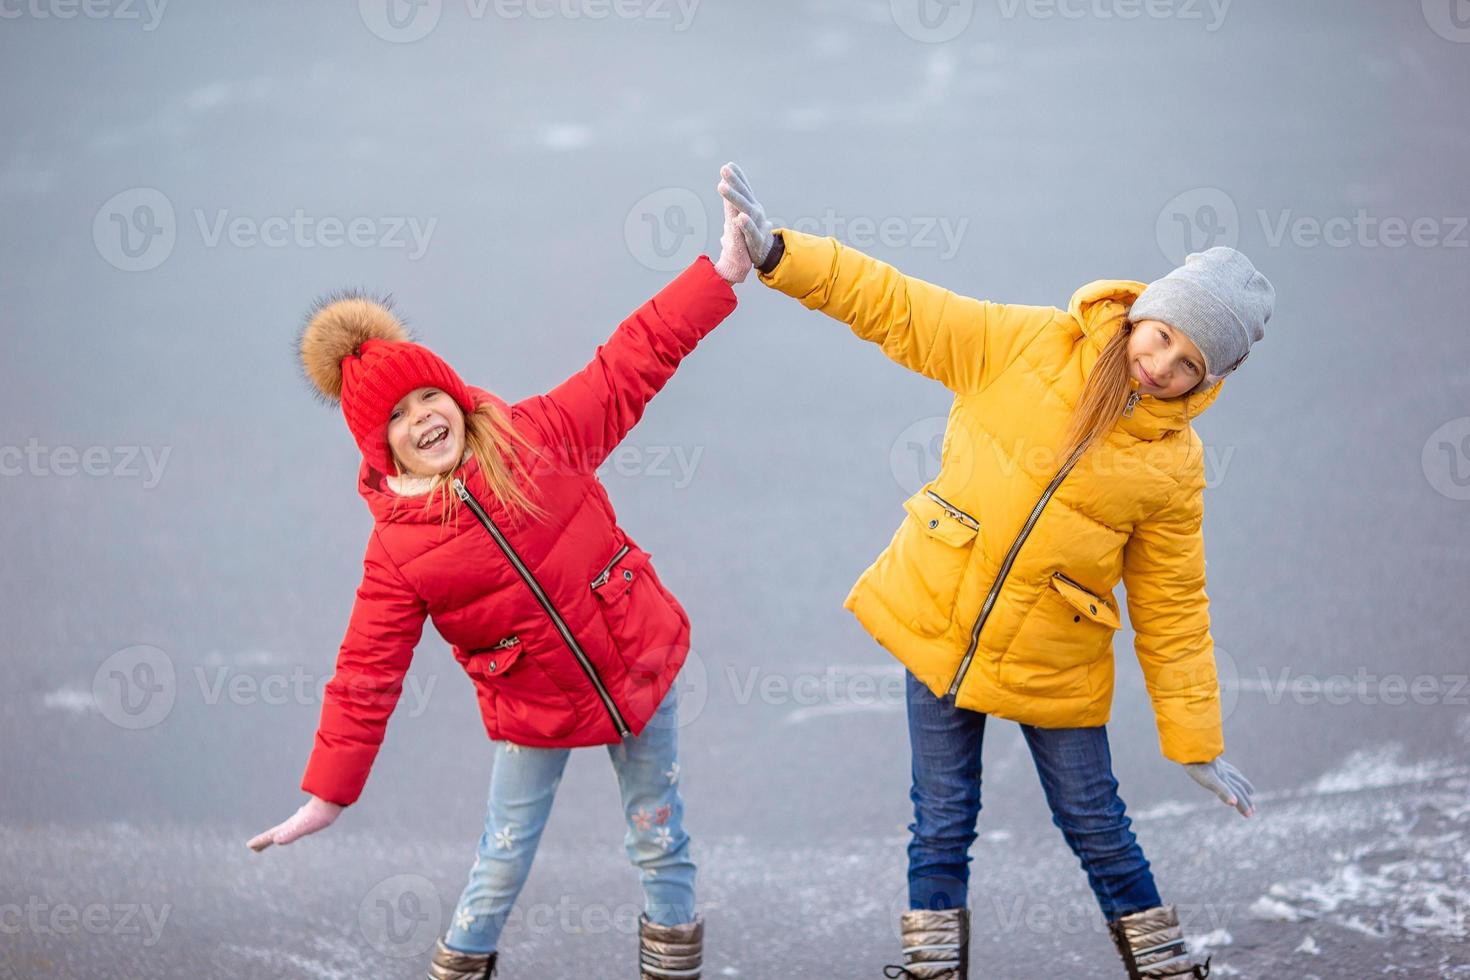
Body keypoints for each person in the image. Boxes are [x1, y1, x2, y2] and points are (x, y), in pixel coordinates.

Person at [719, 162, 1268, 980]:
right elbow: (897, 305)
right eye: (1162, 336)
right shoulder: (1024, 343)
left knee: (1094, 819)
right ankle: (934, 967)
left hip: (1056, 660)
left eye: (1188, 362)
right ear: (1143, 311)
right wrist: (778, 257)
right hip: (944, 620)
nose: (1160, 365)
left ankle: (1162, 965)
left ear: (1208, 379)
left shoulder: (1174, 465)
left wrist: (1194, 740)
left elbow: (1174, 605)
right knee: (940, 817)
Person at [246, 184, 754, 980]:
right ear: (383, 449)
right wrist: (328, 795)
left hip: (636, 659)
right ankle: (461, 967)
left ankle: (673, 967)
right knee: (504, 850)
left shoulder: (537, 437)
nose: (423, 418)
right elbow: (366, 671)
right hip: (533, 702)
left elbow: (629, 362)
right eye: (398, 418)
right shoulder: (397, 549)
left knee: (659, 833)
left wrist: (721, 274)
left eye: (427, 396)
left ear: (450, 393)